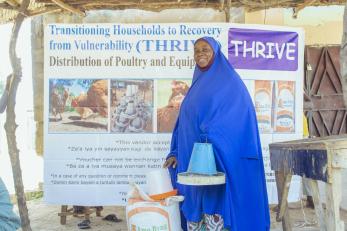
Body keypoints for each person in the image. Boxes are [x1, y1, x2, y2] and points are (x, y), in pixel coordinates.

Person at [163, 37, 270, 231]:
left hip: (220, 159)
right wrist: (176, 152)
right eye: (196, 50)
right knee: (195, 204)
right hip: (192, 160)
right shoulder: (197, 84)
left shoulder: (230, 83)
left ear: (216, 53)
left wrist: (211, 132)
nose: (200, 54)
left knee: (216, 203)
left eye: (205, 49)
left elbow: (238, 119)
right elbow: (184, 123)